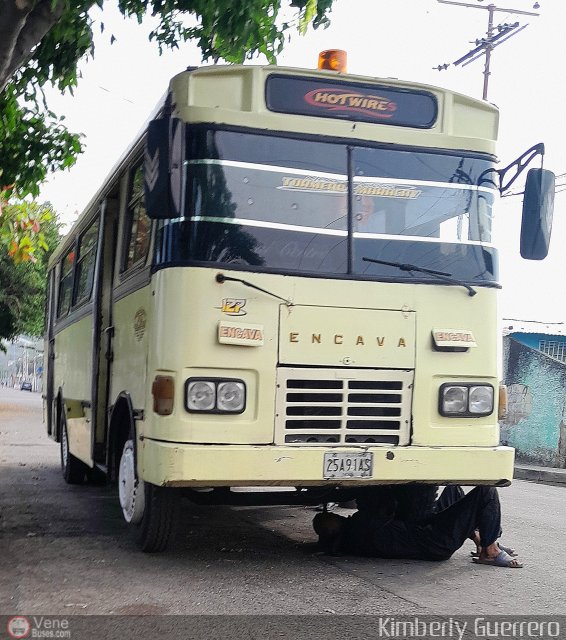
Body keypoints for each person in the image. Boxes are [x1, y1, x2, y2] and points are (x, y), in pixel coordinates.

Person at [312, 486, 522, 568]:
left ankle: (479, 540)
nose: (333, 516)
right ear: (334, 528)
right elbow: (386, 505)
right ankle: (490, 551)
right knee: (486, 492)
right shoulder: (359, 529)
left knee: (453, 491)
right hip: (435, 541)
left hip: (423, 531)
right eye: (331, 518)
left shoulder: (350, 542)